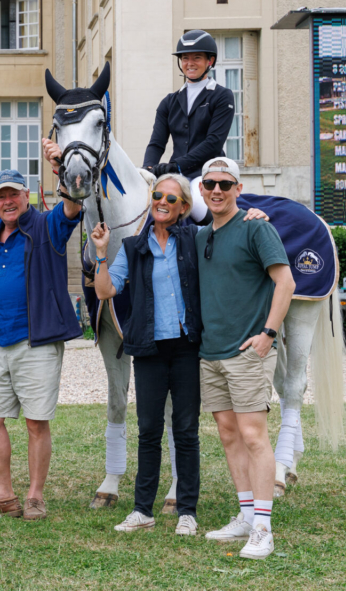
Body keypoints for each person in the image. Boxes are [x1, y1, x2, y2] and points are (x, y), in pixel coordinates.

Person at [91, 171, 270, 536]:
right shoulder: (133, 247)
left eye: (171, 198)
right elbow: (105, 291)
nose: (162, 202)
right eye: (158, 195)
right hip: (149, 349)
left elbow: (230, 224)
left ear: (184, 207)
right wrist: (100, 255)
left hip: (188, 348)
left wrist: (257, 214)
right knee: (149, 431)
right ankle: (143, 509)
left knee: (186, 431)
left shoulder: (196, 238)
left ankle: (187, 510)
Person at [0, 167, 82, 521]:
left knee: (36, 422)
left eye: (13, 194)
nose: (7, 201)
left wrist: (64, 167)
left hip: (37, 340)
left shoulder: (47, 226)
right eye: (1, 196)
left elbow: (72, 206)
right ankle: (4, 495)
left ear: (26, 195)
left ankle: (34, 497)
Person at [195, 157, 295, 560]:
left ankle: (264, 529)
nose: (217, 190)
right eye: (209, 184)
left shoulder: (257, 227)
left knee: (254, 435)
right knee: (229, 434)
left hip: (248, 351)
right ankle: (246, 514)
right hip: (211, 352)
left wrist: (268, 334)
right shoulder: (201, 235)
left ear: (238, 188)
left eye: (225, 183)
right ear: (200, 190)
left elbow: (285, 281)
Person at [143, 30, 235, 223]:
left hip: (206, 173)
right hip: (175, 173)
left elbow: (213, 143)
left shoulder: (221, 96)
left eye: (197, 58)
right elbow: (157, 143)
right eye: (185, 58)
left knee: (199, 209)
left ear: (210, 61)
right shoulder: (169, 102)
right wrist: (147, 169)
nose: (190, 63)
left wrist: (177, 165)